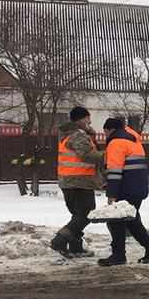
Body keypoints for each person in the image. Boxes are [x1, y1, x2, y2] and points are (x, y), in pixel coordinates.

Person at [99, 118, 149, 266]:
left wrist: (111, 195)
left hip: (125, 189)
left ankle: (118, 255)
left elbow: (115, 171)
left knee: (116, 221)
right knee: (132, 220)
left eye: (105, 132)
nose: (105, 136)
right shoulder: (133, 141)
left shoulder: (116, 142)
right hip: (137, 188)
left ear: (110, 130)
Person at [49, 106, 103, 258]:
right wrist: (108, 155)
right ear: (80, 119)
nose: (90, 122)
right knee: (86, 213)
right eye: (87, 118)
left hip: (69, 180)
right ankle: (59, 240)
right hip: (80, 180)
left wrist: (91, 135)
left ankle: (75, 247)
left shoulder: (68, 134)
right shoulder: (77, 135)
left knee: (78, 215)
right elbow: (87, 155)